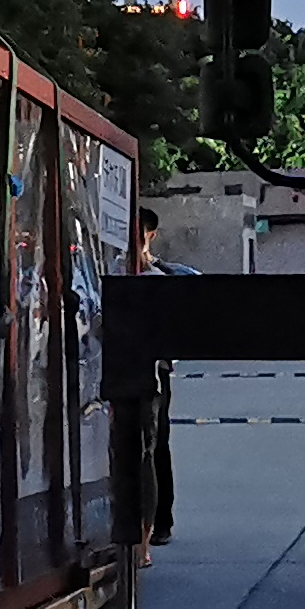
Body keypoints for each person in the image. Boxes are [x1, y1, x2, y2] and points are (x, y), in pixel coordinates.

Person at [132, 201, 175, 549]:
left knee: (154, 447)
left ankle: (158, 523)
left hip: (153, 375)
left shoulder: (156, 277)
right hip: (124, 370)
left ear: (150, 235)